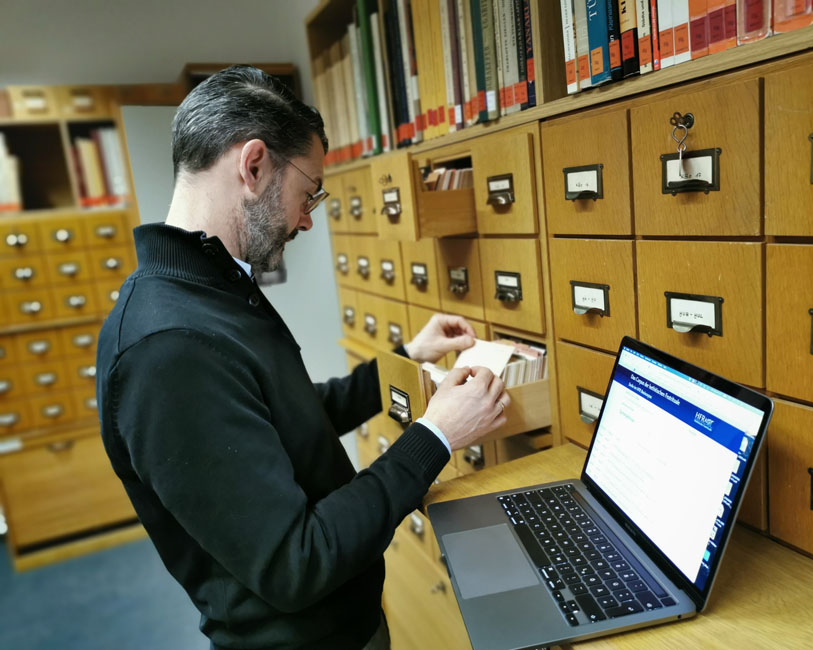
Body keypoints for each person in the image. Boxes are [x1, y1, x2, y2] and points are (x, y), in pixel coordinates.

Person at [96, 65, 510, 650]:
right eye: (308, 190)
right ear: (254, 165)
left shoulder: (209, 291)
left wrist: (408, 357)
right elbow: (297, 562)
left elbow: (289, 419)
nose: (308, 216)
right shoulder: (168, 348)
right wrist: (435, 436)